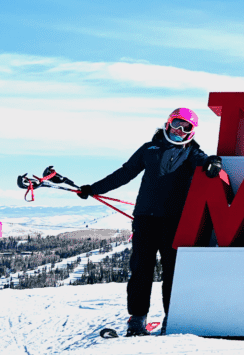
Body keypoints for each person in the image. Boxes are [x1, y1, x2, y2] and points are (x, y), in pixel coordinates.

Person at [79, 108, 222, 336]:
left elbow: (206, 162)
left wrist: (213, 162)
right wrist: (93, 189)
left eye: (185, 127)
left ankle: (171, 319)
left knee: (172, 271)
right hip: (145, 219)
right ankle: (137, 320)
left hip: (175, 222)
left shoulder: (192, 153)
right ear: (167, 124)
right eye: (176, 124)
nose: (179, 130)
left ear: (192, 131)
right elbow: (124, 173)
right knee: (140, 268)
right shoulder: (149, 149)